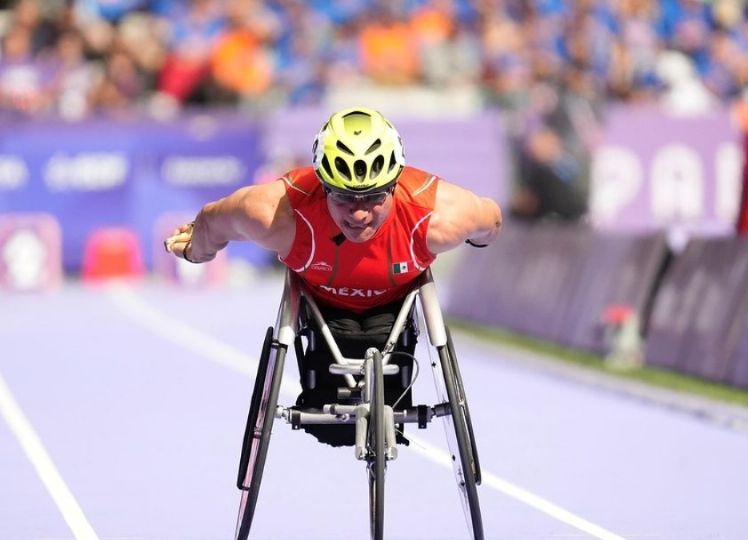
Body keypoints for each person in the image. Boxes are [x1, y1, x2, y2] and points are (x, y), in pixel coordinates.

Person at [164, 106, 502, 445]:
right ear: (324, 187)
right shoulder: (277, 214)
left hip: (396, 309)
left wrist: (479, 235)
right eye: (343, 197)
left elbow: (491, 219)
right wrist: (196, 251)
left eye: (373, 197)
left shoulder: (439, 216)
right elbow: (212, 220)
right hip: (320, 312)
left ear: (395, 185)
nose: (358, 213)